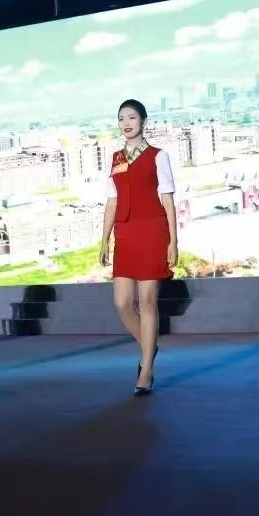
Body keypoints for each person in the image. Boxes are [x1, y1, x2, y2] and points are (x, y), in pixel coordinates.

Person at [98, 99, 177, 397]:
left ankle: (146, 369)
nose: (126, 123)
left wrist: (174, 241)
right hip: (126, 234)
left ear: (144, 121)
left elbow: (167, 200)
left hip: (153, 231)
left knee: (146, 301)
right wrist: (104, 239)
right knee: (121, 303)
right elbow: (112, 202)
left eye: (132, 117)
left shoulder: (158, 156)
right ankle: (149, 346)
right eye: (121, 118)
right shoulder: (116, 158)